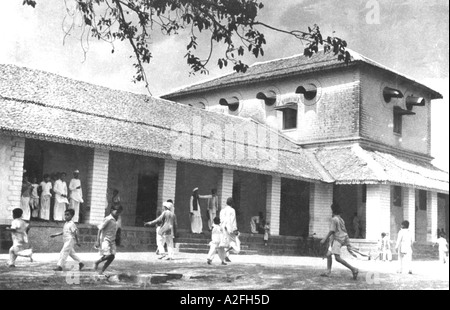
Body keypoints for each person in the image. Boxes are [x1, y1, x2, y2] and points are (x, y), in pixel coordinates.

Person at [320, 202, 359, 280]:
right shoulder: (341, 219)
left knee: (337, 258)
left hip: (338, 239)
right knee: (328, 254)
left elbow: (332, 230)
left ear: (333, 210)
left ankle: (353, 269)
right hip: (341, 238)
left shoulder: (334, 219)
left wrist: (324, 239)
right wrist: (347, 242)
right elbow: (344, 231)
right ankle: (328, 271)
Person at [94, 204, 123, 275]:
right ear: (112, 210)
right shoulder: (108, 219)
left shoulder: (117, 219)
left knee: (112, 256)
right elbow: (100, 229)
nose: (118, 213)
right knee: (107, 255)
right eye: (117, 212)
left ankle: (102, 271)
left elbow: (117, 230)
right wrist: (97, 241)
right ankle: (97, 262)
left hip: (112, 240)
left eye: (120, 212)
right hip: (105, 240)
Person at [220, 197, 240, 262]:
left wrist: (222, 227)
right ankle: (228, 252)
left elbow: (221, 219)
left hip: (223, 227)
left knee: (226, 241)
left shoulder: (222, 210)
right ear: (232, 203)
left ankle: (226, 256)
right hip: (229, 228)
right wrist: (235, 229)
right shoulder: (232, 210)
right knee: (232, 242)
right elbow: (233, 220)